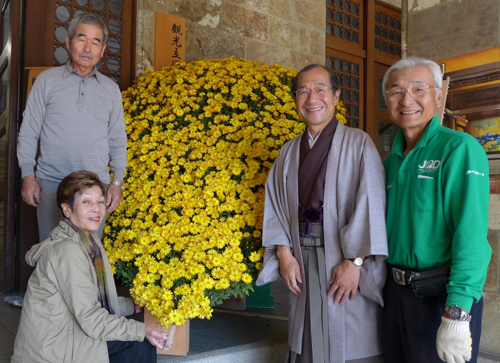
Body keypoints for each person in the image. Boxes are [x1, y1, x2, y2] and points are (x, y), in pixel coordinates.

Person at [256, 64, 388, 363]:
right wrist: (284, 254)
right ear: (295, 100)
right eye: (303, 91)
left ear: (337, 95)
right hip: (300, 257)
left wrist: (355, 262)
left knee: (349, 332)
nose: (311, 98)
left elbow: (371, 203)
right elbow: (275, 204)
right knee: (306, 337)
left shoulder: (358, 142)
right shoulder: (288, 151)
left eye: (320, 89)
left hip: (344, 258)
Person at [381, 57, 492, 363]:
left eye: (419, 88)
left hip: (439, 297)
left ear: (439, 95)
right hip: (394, 294)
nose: (407, 99)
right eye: (396, 91)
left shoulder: (460, 149)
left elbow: (470, 236)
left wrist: (457, 313)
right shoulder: (390, 162)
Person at [11, 170, 168, 363]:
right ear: (67, 209)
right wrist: (141, 331)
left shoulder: (89, 242)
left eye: (100, 201)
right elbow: (91, 319)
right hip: (57, 350)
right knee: (140, 340)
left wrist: (132, 306)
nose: (96, 208)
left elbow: (94, 301)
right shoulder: (67, 251)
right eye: (86, 201)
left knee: (136, 330)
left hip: (73, 332)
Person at [17, 12, 127, 241]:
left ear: (103, 49)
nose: (88, 48)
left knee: (89, 256)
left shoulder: (110, 90)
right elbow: (29, 131)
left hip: (95, 191)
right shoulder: (47, 81)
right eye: (81, 38)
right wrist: (28, 175)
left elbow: (117, 139)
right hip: (50, 184)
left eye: (95, 42)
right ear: (68, 41)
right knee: (50, 255)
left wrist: (117, 182)